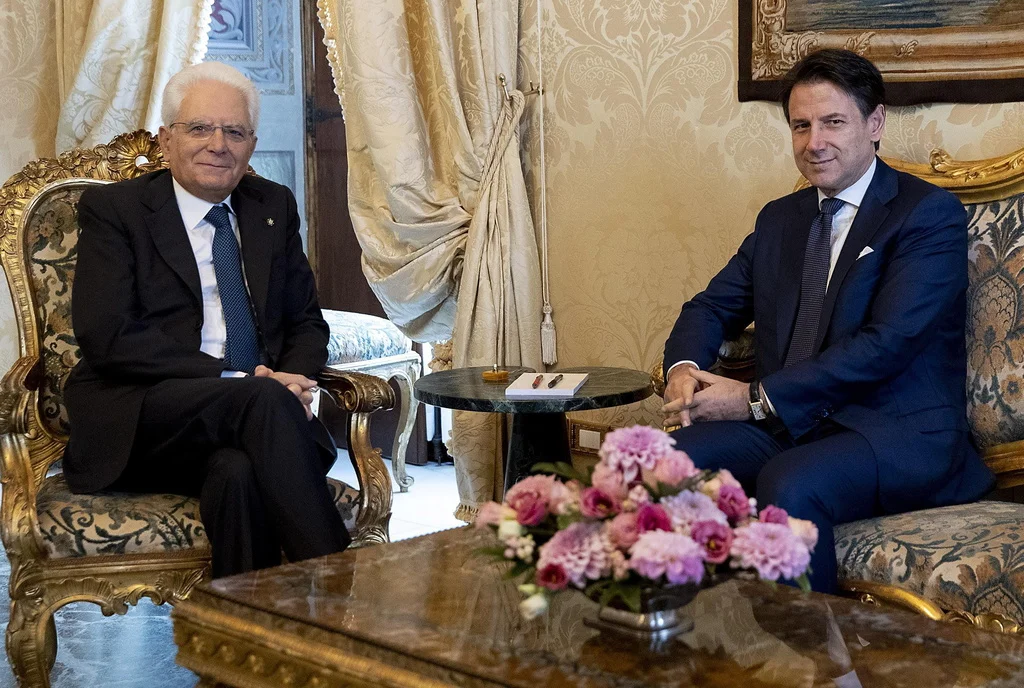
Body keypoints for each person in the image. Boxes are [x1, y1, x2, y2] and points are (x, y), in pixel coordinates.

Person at [661, 49, 994, 593]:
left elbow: (887, 344)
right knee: (666, 465)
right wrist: (684, 369)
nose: (814, 142)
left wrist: (751, 400)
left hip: (893, 432)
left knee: (789, 483)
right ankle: (683, 645)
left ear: (875, 123)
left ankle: (819, 669)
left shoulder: (927, 213)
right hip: (793, 424)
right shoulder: (781, 219)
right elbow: (709, 306)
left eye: (833, 122)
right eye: (801, 125)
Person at [64, 62, 350, 577]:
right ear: (166, 140)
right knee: (259, 399)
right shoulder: (116, 210)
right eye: (199, 128)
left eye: (234, 131)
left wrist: (295, 377)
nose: (218, 143)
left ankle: (248, 639)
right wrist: (234, 376)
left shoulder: (272, 206)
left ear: (251, 144)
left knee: (236, 473)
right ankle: (347, 593)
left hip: (251, 419)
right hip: (144, 413)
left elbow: (307, 322)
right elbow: (106, 337)